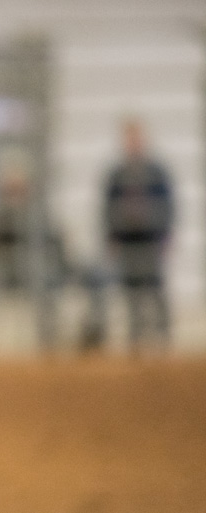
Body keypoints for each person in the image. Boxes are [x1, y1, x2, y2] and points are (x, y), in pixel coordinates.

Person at [103, 118, 174, 349]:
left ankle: (163, 334)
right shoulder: (116, 174)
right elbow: (107, 208)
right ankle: (136, 336)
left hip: (151, 238)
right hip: (127, 240)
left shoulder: (156, 172)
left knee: (155, 285)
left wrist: (166, 234)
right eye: (129, 138)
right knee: (131, 288)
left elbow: (168, 205)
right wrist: (111, 236)